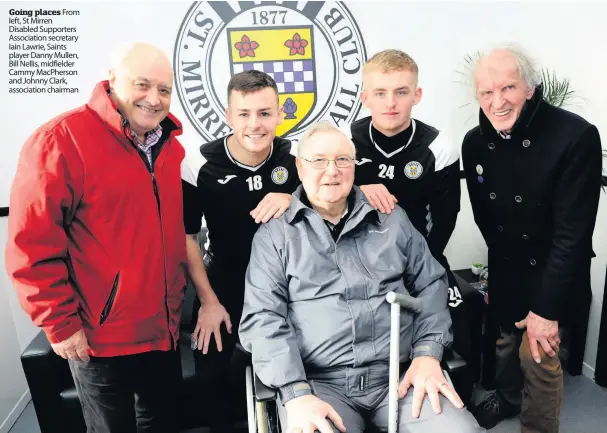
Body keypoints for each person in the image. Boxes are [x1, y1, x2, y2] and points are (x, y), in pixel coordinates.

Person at [239, 121, 483, 433]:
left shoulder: (391, 218)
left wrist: (427, 353)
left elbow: (431, 283)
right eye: (319, 161)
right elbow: (263, 319)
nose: (332, 170)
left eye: (342, 160)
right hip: (318, 385)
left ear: (355, 167)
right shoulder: (275, 235)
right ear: (300, 167)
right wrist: (295, 392)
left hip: (401, 375)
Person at [6, 42, 187, 433]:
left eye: (164, 89)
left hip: (163, 330)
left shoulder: (170, 148)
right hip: (99, 339)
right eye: (142, 85)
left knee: (164, 425)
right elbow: (30, 247)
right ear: (113, 80)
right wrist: (59, 323)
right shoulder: (60, 140)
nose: (154, 99)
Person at [462, 45, 602, 432]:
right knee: (505, 346)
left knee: (537, 355)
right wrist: (495, 277)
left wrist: (546, 310)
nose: (497, 101)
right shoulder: (474, 141)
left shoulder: (575, 136)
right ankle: (507, 400)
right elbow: (485, 218)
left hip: (552, 270)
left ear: (530, 87)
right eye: (487, 92)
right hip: (507, 267)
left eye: (507, 88)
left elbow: (572, 235)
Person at [346, 49, 474, 401]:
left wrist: (420, 274)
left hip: (421, 260)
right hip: (357, 265)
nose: (391, 103)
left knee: (462, 329)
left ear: (416, 95)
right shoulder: (344, 140)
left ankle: (456, 397)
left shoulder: (439, 145)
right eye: (380, 93)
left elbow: (446, 220)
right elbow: (320, 197)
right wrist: (358, 187)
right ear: (365, 97)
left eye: (401, 92)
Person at [181, 69, 300, 431]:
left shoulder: (298, 157)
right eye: (244, 114)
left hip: (288, 284)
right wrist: (208, 301)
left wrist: (292, 197)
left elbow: (330, 204)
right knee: (210, 376)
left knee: (301, 366)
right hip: (225, 283)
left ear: (280, 114)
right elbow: (187, 238)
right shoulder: (198, 164)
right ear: (228, 116)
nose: (255, 124)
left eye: (265, 113)